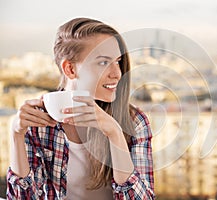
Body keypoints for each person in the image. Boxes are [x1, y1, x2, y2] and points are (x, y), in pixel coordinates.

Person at [7, 17, 155, 200]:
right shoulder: (38, 122)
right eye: (103, 62)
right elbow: (23, 197)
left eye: (117, 61)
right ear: (70, 69)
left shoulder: (134, 121)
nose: (117, 73)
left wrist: (114, 132)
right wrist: (16, 135)